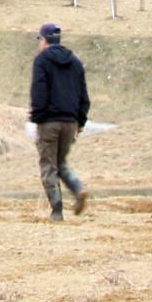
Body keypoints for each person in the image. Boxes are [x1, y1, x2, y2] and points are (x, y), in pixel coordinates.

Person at [28, 22, 91, 221]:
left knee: (48, 166)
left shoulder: (42, 60)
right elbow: (84, 95)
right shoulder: (75, 61)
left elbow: (38, 91)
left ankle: (57, 211)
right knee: (60, 163)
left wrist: (36, 118)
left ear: (44, 40)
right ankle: (78, 188)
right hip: (70, 122)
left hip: (49, 122)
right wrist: (80, 121)